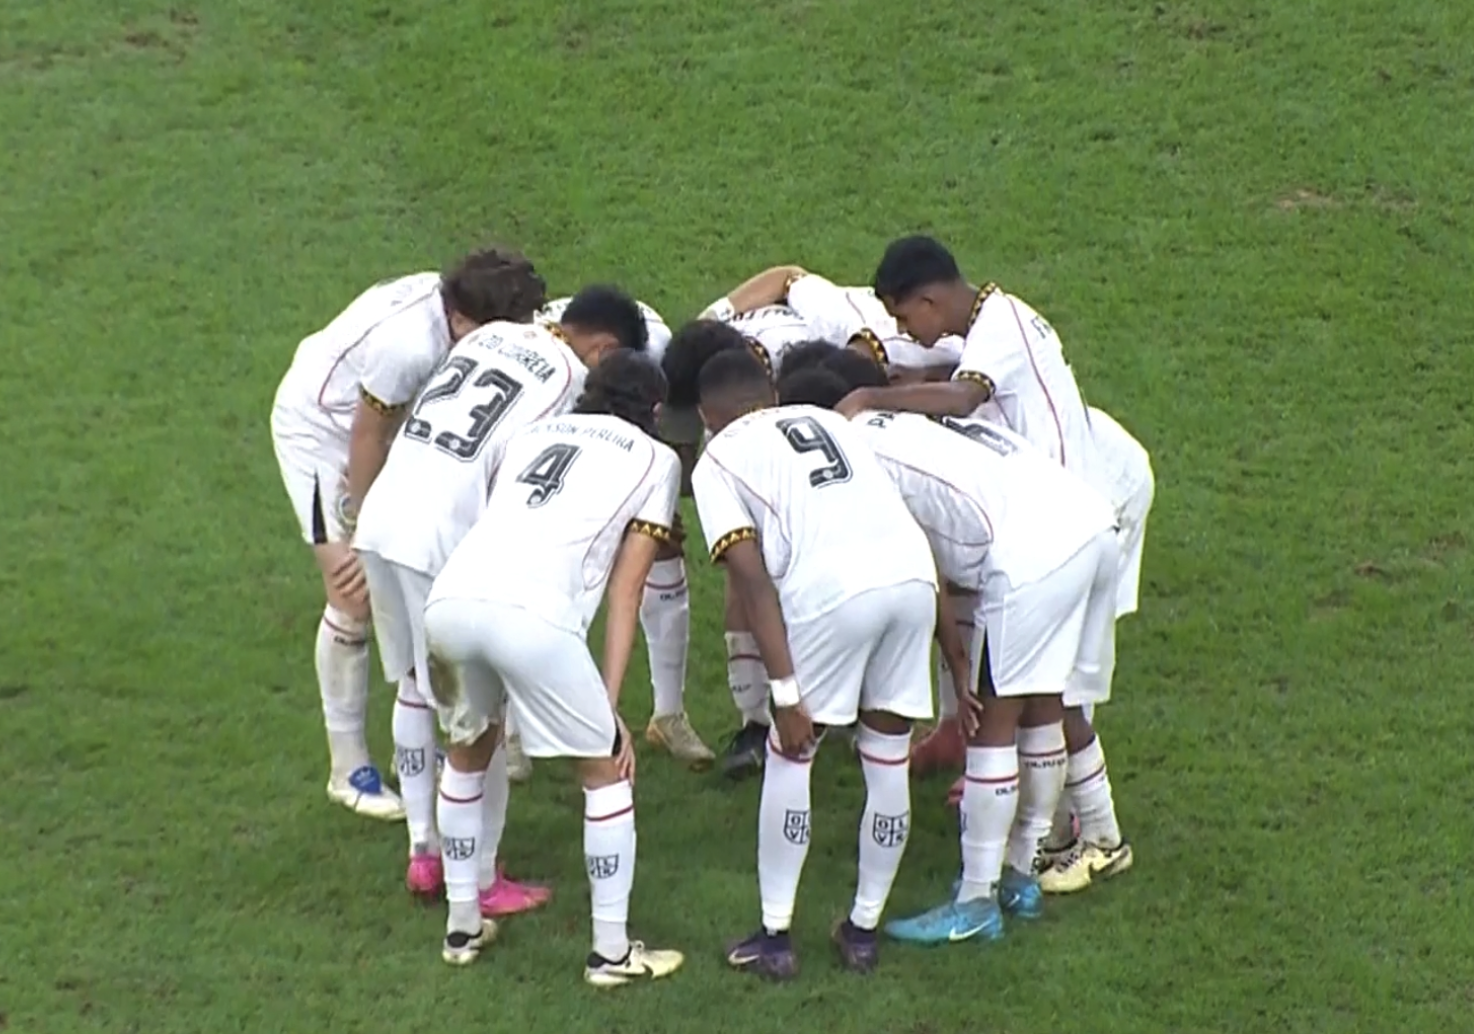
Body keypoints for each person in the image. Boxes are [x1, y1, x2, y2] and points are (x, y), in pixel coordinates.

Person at [784, 363, 1120, 944]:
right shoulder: (903, 415)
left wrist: (960, 665)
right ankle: (1021, 877)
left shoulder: (853, 461)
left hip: (1030, 553)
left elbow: (920, 567)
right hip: (1089, 520)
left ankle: (977, 901)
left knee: (992, 722)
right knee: (1045, 702)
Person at [354, 284, 647, 910]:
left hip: (383, 514)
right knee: (478, 718)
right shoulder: (571, 380)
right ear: (605, 350)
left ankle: (424, 851)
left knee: (414, 683)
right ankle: (481, 878)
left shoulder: (490, 333)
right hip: (445, 536)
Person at [692, 347, 963, 979]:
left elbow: (750, 580)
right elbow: (910, 524)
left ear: (708, 417)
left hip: (831, 592)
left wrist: (784, 693)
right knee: (888, 755)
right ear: (770, 395)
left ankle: (775, 937)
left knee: (794, 752)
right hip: (911, 581)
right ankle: (862, 931)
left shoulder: (719, 458)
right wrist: (952, 647)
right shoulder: (831, 422)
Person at [421, 351, 685, 985]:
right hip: (535, 618)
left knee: (466, 755)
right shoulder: (657, 459)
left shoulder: (530, 434)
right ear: (654, 409)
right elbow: (628, 590)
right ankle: (612, 954)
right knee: (604, 774)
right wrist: (609, 711)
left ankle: (461, 926)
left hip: (450, 602)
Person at [269, 246, 543, 820]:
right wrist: (362, 529)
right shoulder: (410, 346)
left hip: (395, 423)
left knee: (420, 574)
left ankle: (416, 744)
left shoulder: (454, 315)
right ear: (462, 320)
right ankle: (348, 770)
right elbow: (366, 435)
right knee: (353, 591)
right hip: (322, 429)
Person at [837, 235, 1105, 785]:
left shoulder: (999, 327)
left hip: (1056, 523)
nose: (905, 331)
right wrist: (920, 381)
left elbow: (963, 399)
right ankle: (968, 741)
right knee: (995, 632)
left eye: (904, 317)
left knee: (1052, 692)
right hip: (1050, 509)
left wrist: (871, 400)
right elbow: (963, 378)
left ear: (930, 300)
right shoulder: (998, 318)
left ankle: (1042, 801)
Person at [503, 297, 712, 778]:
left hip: (598, 453)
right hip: (532, 482)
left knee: (663, 550)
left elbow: (651, 433)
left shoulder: (646, 346)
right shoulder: (545, 374)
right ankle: (512, 731)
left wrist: (652, 509)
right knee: (537, 573)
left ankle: (668, 714)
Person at [1036, 405, 1152, 893]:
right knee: (1042, 669)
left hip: (1105, 496)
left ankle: (1102, 839)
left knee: (1060, 676)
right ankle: (1056, 831)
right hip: (1072, 495)